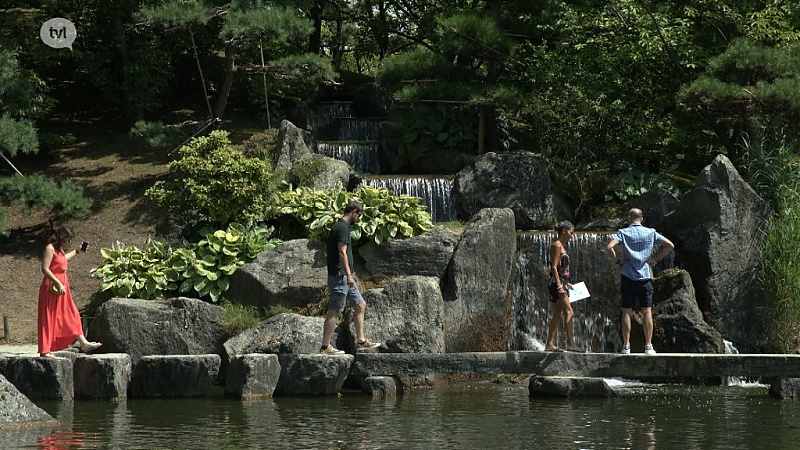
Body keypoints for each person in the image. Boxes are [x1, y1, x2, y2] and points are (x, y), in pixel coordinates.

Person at [606, 208, 675, 355]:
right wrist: (655, 259)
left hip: (628, 276)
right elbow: (670, 245)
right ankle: (649, 346)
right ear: (641, 219)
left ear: (629, 219)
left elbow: (609, 247)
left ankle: (626, 346)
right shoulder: (650, 232)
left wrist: (618, 261)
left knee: (626, 312)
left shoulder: (623, 233)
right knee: (647, 311)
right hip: (645, 276)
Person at [320, 201, 380, 354]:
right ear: (354, 212)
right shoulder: (342, 228)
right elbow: (342, 252)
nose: (359, 218)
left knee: (360, 305)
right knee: (334, 311)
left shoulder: (341, 227)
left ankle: (360, 340)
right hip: (341, 277)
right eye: (359, 215)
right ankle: (325, 347)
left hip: (345, 278)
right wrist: (349, 275)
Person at [38, 225, 102, 358]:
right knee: (48, 317)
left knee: (71, 313)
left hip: (62, 286)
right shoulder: (50, 248)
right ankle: (45, 350)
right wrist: (57, 282)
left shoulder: (59, 249)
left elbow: (62, 260)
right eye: (67, 239)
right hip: (52, 286)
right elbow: (45, 269)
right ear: (61, 237)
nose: (69, 242)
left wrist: (77, 251)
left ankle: (83, 342)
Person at [545, 221, 582, 352]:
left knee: (557, 314)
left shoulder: (562, 246)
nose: (572, 236)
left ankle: (549, 344)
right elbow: (554, 267)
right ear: (564, 231)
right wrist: (560, 286)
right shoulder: (557, 245)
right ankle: (571, 344)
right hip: (557, 284)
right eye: (571, 232)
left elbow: (561, 269)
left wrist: (567, 283)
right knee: (569, 312)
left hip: (560, 283)